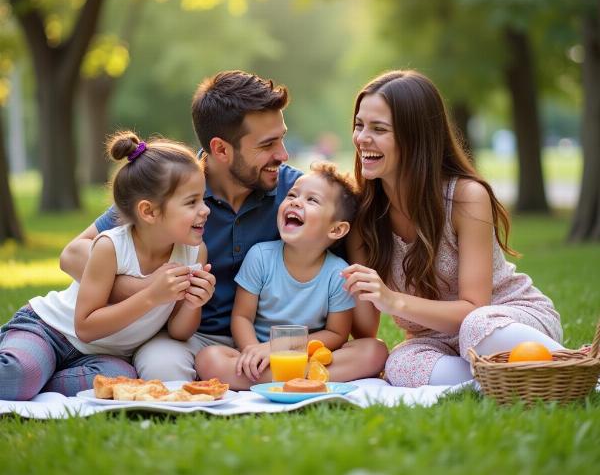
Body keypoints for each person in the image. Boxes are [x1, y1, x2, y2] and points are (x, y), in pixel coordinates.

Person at [60, 71, 300, 381]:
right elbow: (73, 254)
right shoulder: (175, 189)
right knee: (161, 367)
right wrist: (151, 288)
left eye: (281, 138)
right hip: (187, 335)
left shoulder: (294, 193)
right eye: (268, 144)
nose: (283, 154)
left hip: (266, 337)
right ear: (222, 149)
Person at [342, 70, 563, 387]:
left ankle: (576, 368)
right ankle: (500, 381)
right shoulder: (363, 218)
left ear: (415, 137)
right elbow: (366, 330)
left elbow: (475, 307)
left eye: (379, 129)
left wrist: (392, 300)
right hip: (439, 342)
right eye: (359, 125)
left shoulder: (464, 198)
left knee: (475, 324)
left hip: (504, 320)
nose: (362, 138)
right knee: (399, 365)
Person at [0, 131, 213, 400]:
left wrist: (195, 302)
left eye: (203, 198)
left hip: (102, 357)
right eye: (191, 202)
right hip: (51, 332)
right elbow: (85, 327)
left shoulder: (194, 253)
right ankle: (26, 366)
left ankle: (37, 377)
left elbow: (178, 331)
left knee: (119, 384)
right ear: (149, 212)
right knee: (17, 375)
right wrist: (150, 296)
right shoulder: (110, 247)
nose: (205, 210)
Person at [197, 163, 388, 389]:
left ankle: (280, 378)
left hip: (308, 356)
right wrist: (252, 352)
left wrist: (280, 349)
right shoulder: (260, 257)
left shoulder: (338, 274)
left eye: (312, 200)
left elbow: (337, 333)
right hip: (260, 356)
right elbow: (242, 318)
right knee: (208, 359)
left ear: (336, 230)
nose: (296, 202)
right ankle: (307, 379)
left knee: (375, 350)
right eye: (292, 195)